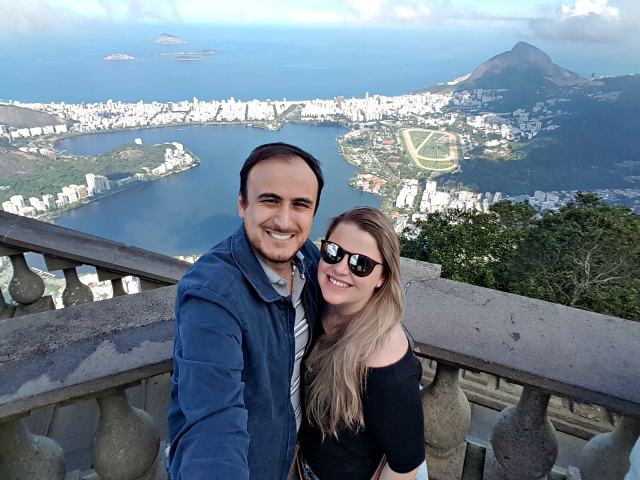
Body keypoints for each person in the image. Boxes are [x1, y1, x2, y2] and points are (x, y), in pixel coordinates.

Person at [167, 143, 325, 480]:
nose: (284, 221)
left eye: (300, 205)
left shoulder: (308, 260)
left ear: (313, 212)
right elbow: (212, 421)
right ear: (242, 203)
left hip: (298, 455)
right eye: (269, 200)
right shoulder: (212, 295)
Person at [298, 207, 428, 480]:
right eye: (333, 252)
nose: (340, 268)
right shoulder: (316, 303)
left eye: (361, 264)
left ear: (382, 277)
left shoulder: (385, 364)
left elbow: (406, 464)